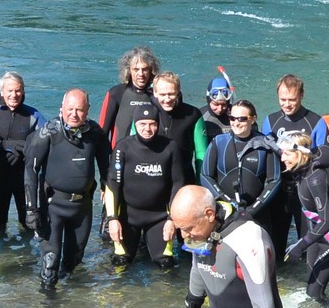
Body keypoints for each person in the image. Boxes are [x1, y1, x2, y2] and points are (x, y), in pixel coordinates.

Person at [25, 88, 110, 290]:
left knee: (74, 261)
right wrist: (31, 209)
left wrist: (109, 199)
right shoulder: (48, 132)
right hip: (53, 205)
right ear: (61, 108)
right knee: (50, 262)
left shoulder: (95, 133)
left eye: (79, 110)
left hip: (82, 206)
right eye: (70, 109)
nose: (74, 114)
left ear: (88, 110)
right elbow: (31, 170)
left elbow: (107, 167)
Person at [104, 104, 184, 268]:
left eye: (152, 124)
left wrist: (172, 220)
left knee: (165, 263)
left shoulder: (170, 147)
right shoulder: (123, 147)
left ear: (158, 124)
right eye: (142, 124)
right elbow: (113, 184)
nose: (147, 128)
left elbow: (178, 184)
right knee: (121, 262)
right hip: (128, 217)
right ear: (135, 124)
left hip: (159, 217)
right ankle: (119, 294)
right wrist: (112, 219)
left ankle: (166, 294)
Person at [262, 74, 329, 256]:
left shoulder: (316, 122)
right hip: (278, 193)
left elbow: (325, 163)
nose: (286, 104)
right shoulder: (270, 121)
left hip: (305, 193)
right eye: (282, 99)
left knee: (307, 246)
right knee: (274, 247)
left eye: (291, 99)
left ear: (301, 95)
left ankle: (303, 282)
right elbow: (266, 160)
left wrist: (323, 196)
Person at [278, 132, 329, 302]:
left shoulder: (315, 179)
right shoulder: (302, 170)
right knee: (311, 284)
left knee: (314, 291)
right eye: (282, 153)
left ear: (301, 153)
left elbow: (327, 221)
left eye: (287, 154)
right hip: (317, 233)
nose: (282, 159)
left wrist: (300, 245)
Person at [0, 71, 45, 235]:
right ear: (2, 92)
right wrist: (2, 144)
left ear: (23, 91)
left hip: (25, 178)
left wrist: (27, 147)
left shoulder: (33, 115)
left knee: (29, 223)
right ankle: (0, 258)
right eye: (10, 91)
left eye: (18, 90)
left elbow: (49, 142)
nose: (14, 95)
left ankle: (27, 258)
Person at [201, 99, 281, 236]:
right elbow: (205, 176)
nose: (236, 123)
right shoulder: (218, 142)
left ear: (253, 119)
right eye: (232, 118)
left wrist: (255, 207)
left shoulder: (265, 145)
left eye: (242, 119)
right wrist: (225, 200)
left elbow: (275, 180)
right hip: (225, 212)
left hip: (257, 213)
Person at [151, 71, 208, 183]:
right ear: (155, 92)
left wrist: (200, 183)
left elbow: (201, 153)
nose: (167, 99)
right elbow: (133, 148)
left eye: (171, 94)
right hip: (152, 180)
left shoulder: (192, 114)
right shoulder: (144, 114)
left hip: (184, 179)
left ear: (178, 92)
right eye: (162, 94)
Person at [98, 46, 160, 149]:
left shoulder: (158, 94)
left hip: (149, 157)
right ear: (129, 71)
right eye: (136, 69)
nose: (141, 74)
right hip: (120, 157)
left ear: (151, 70)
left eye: (145, 69)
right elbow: (102, 133)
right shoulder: (116, 93)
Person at [201, 76, 234, 144]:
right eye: (216, 104)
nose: (220, 109)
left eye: (224, 105)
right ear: (208, 101)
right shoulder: (200, 116)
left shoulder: (237, 115)